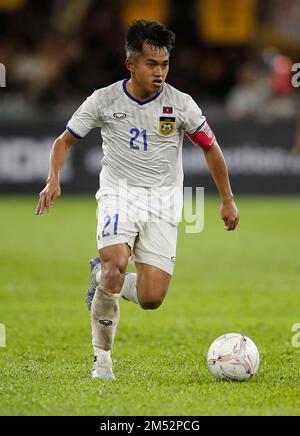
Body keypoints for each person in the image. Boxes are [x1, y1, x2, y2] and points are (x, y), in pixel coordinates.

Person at [36, 20, 239, 380]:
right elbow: (63, 141)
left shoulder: (181, 104)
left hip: (163, 203)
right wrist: (54, 179)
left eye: (164, 65)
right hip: (119, 195)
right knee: (116, 263)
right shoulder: (104, 100)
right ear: (131, 64)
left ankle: (99, 276)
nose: (159, 72)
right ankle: (102, 361)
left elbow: (212, 149)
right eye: (151, 64)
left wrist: (227, 200)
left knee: (151, 298)